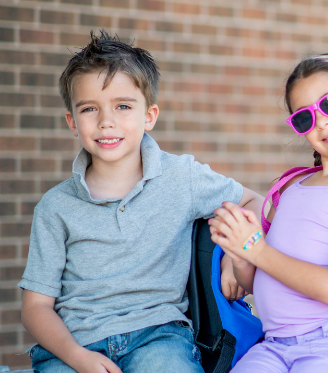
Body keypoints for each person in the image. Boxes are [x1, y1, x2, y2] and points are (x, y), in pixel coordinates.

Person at [19, 31, 262, 373]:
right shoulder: (55, 206)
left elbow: (254, 201)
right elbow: (35, 307)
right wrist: (78, 357)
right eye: (90, 109)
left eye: (123, 106)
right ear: (73, 122)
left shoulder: (182, 177)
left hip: (159, 337)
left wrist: (237, 255)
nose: (107, 121)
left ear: (149, 115)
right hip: (74, 344)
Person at [208, 53, 328, 373]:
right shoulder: (293, 185)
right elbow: (263, 282)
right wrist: (241, 254)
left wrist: (255, 249)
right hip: (273, 343)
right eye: (305, 117)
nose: (322, 121)